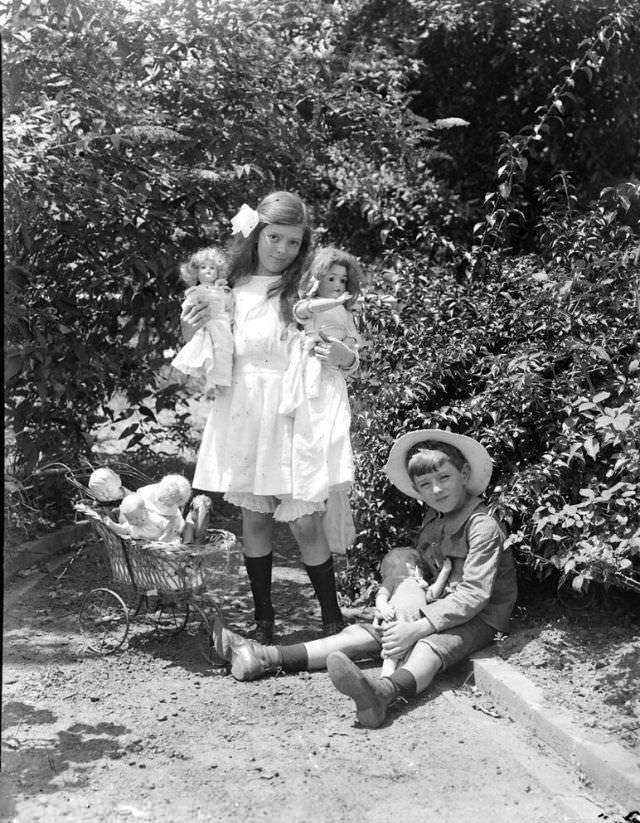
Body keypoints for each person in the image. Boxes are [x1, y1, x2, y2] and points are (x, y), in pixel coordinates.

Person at [210, 429, 518, 729]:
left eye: (444, 478)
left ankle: (383, 693)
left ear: (464, 473)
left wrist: (417, 628)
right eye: (426, 484)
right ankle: (265, 656)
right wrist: (404, 594)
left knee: (428, 648)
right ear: (417, 490)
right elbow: (428, 565)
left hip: (480, 617)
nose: (436, 490)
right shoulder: (436, 517)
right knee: (364, 634)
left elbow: (475, 595)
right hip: (435, 605)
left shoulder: (482, 526)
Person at [182, 192, 358, 644]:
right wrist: (194, 319)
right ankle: (264, 618)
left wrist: (343, 357)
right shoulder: (231, 290)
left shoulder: (307, 294)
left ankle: (331, 617)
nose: (282, 250)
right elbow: (206, 348)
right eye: (274, 237)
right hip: (244, 409)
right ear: (257, 234)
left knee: (304, 520)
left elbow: (346, 349)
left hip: (293, 411)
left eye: (294, 243)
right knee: (255, 518)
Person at [280, 246, 363, 415]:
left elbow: (354, 340)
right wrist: (334, 302)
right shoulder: (309, 305)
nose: (338, 285)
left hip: (334, 370)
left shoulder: (345, 312)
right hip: (312, 364)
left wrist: (346, 348)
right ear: (316, 280)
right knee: (312, 414)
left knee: (336, 418)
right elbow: (304, 311)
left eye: (343, 280)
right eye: (331, 279)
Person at [374, 547, 452, 677]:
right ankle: (385, 678)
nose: (416, 566)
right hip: (396, 620)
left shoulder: (420, 584)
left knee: (411, 657)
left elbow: (433, 594)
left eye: (417, 565)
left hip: (417, 627)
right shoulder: (393, 580)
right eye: (412, 564)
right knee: (392, 654)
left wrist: (445, 571)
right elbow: (381, 597)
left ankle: (398, 682)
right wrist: (384, 608)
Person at [171, 246, 233, 398]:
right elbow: (188, 308)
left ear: (219, 271)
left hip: (221, 324)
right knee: (204, 350)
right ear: (195, 273)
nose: (208, 271)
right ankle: (209, 382)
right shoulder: (195, 292)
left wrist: (229, 318)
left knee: (223, 350)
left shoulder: (223, 290)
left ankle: (221, 382)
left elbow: (230, 306)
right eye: (203, 267)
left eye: (212, 268)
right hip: (203, 324)